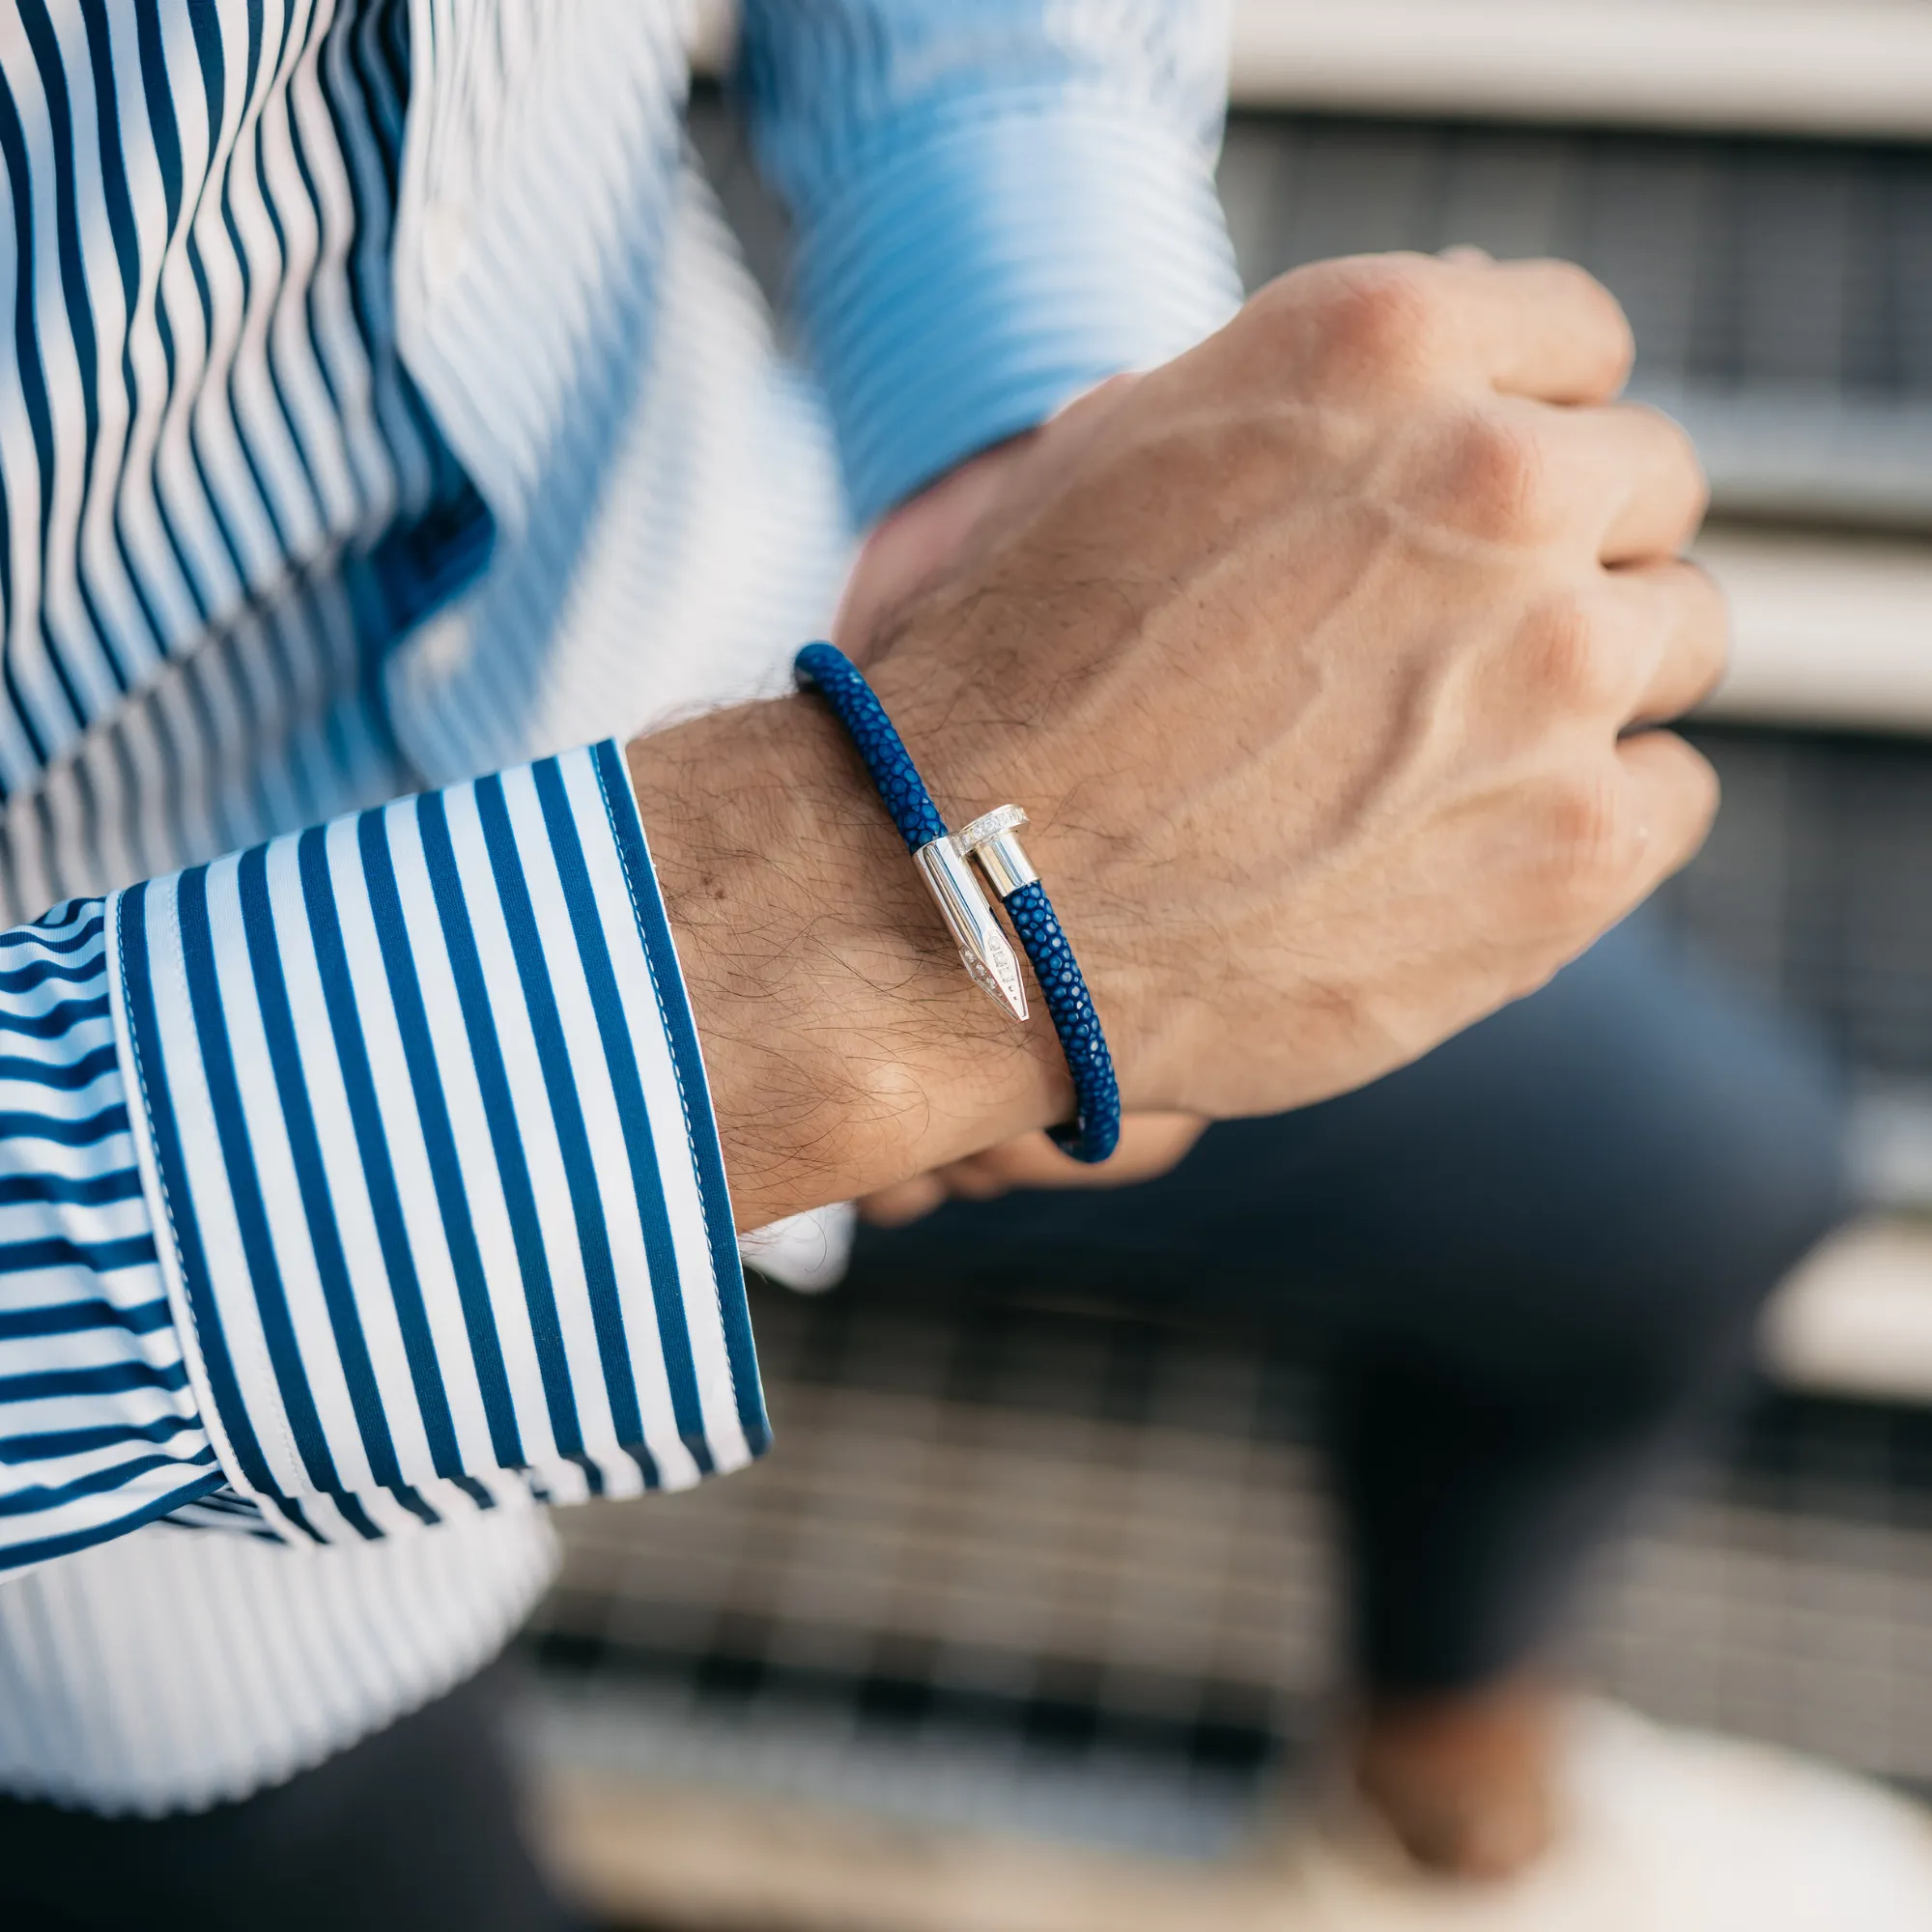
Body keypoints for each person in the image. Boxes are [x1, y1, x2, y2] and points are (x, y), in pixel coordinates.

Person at [0, 4, 1817, 1928]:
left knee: (1692, 1183)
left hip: (775, 622)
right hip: (125, 1415)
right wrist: (794, 976)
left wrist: (1039, 423)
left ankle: (1426, 1812)